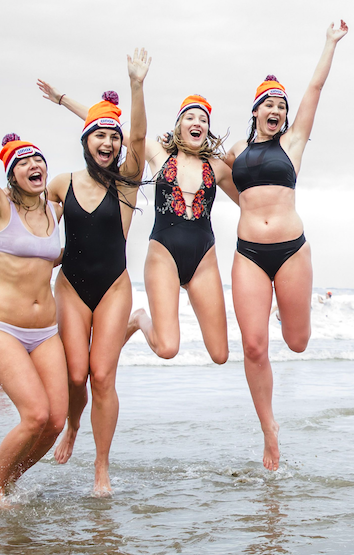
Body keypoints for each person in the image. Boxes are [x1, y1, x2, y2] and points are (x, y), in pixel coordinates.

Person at [37, 80, 238, 365]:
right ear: (179, 125)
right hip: (164, 256)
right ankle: (138, 320)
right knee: (168, 348)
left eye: (203, 119)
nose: (197, 123)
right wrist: (63, 99)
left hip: (204, 258)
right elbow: (106, 125)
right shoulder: (159, 154)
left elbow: (250, 202)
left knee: (220, 355)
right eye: (190, 117)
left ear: (207, 128)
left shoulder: (217, 167)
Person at [224, 20, 348, 471]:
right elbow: (201, 169)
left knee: (296, 343)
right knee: (254, 346)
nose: (276, 110)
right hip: (248, 255)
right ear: (255, 111)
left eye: (281, 105)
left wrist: (329, 43)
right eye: (268, 105)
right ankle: (269, 431)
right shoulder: (235, 151)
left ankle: (286, 306)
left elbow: (315, 87)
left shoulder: (293, 143)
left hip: (292, 251)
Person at [0, 59, 67, 507]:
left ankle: (9, 481)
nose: (34, 164)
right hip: (3, 327)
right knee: (34, 415)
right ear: (12, 174)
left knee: (56, 419)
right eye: (24, 161)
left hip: (46, 332)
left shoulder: (53, 209)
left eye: (38, 158)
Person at [44, 49, 150, 496]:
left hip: (113, 286)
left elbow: (140, 138)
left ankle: (101, 467)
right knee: (74, 375)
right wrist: (1, 282)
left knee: (101, 375)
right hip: (70, 286)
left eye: (114, 136)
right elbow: (36, 243)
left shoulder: (125, 183)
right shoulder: (59, 184)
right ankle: (72, 426)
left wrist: (137, 85)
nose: (107, 142)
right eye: (99, 135)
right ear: (86, 139)